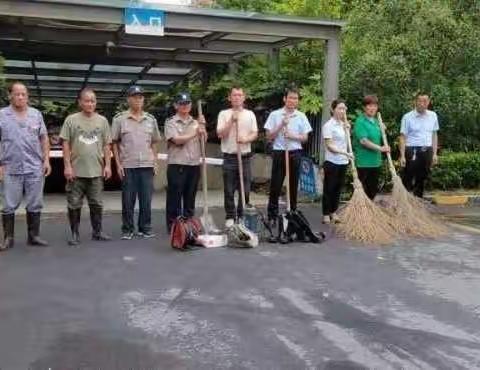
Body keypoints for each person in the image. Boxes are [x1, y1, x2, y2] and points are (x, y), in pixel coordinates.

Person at [0, 82, 51, 251]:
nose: (20, 97)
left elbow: (44, 139)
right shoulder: (2, 115)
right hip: (10, 167)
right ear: (10, 96)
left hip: (34, 167)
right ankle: (8, 238)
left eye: (23, 94)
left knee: (35, 203)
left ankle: (34, 236)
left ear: (27, 96)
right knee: (8, 205)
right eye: (17, 94)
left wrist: (46, 161)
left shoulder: (36, 115)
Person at [60, 88, 112, 246]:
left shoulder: (102, 121)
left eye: (93, 100)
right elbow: (65, 143)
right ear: (80, 102)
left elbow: (107, 145)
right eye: (87, 100)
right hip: (76, 172)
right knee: (74, 204)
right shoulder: (71, 119)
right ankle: (74, 234)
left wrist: (108, 165)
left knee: (96, 203)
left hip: (96, 171)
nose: (90, 103)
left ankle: (97, 232)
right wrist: (67, 166)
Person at [112, 86, 161, 240]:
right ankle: (127, 229)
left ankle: (145, 228)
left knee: (146, 199)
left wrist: (155, 161)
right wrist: (118, 164)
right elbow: (114, 142)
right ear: (128, 99)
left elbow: (154, 142)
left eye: (140, 97)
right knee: (128, 200)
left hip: (147, 164)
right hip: (128, 165)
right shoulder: (120, 119)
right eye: (134, 97)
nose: (138, 100)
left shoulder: (151, 120)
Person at [264, 87, 312, 227]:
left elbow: (305, 138)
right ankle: (272, 215)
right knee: (276, 185)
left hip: (295, 152)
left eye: (295, 98)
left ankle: (292, 212)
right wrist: (281, 125)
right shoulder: (275, 114)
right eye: (290, 97)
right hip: (280, 152)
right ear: (285, 99)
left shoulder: (301, 116)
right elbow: (269, 136)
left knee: (293, 185)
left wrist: (292, 136)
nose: (293, 100)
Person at [217, 86, 258, 228]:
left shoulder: (250, 114)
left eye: (240, 95)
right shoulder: (224, 114)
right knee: (229, 189)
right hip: (229, 157)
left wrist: (245, 139)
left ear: (244, 97)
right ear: (230, 98)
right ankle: (230, 216)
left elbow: (254, 133)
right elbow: (220, 134)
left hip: (245, 156)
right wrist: (231, 121)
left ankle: (241, 215)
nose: (237, 97)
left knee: (245, 189)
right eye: (234, 95)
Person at [164, 92, 206, 232]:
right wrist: (195, 132)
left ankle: (188, 226)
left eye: (187, 103)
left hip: (193, 164)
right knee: (174, 198)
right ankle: (173, 226)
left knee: (190, 197)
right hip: (177, 165)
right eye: (181, 103)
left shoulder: (196, 122)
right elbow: (177, 140)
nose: (185, 106)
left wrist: (203, 128)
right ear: (176, 105)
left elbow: (203, 142)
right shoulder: (171, 122)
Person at [399, 92, 439, 198]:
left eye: (425, 101)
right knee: (408, 176)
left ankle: (418, 201)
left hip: (427, 150)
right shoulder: (407, 117)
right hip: (412, 150)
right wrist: (402, 155)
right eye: (419, 101)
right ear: (415, 102)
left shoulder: (433, 115)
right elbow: (402, 137)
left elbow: (434, 135)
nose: (422, 103)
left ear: (428, 102)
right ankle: (404, 201)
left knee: (422, 177)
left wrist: (435, 154)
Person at [352, 95, 390, 200]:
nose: (372, 108)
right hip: (364, 163)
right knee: (363, 192)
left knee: (373, 190)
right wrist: (381, 148)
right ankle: (360, 214)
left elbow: (379, 136)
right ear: (364, 107)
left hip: (376, 162)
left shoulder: (377, 122)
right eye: (369, 105)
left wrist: (383, 129)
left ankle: (369, 214)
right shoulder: (360, 122)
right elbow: (364, 141)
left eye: (375, 105)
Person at [321, 99, 352, 224]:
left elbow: (346, 142)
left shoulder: (344, 125)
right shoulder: (328, 125)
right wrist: (344, 153)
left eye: (344, 109)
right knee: (329, 188)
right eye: (339, 108)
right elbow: (330, 146)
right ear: (333, 110)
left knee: (338, 188)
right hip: (332, 162)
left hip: (343, 162)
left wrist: (348, 129)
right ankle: (325, 214)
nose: (342, 111)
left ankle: (334, 211)